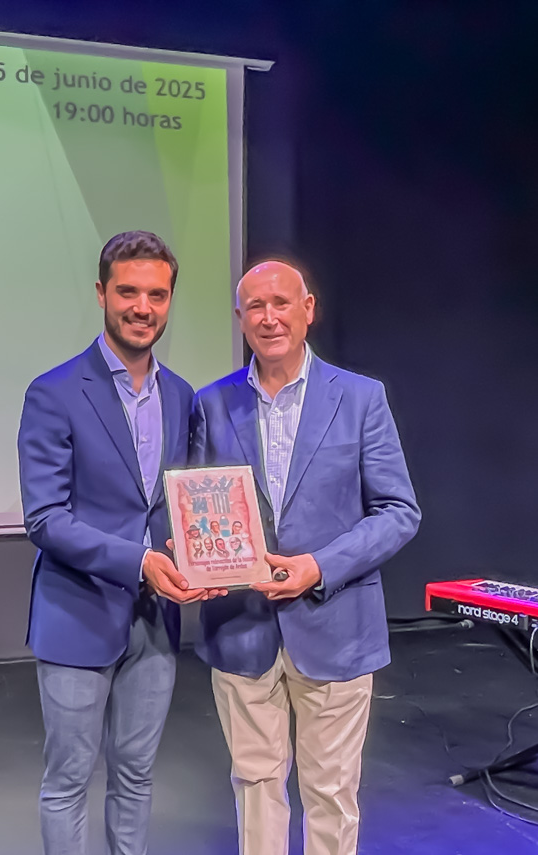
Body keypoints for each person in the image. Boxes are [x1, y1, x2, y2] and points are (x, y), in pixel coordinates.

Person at [190, 261, 420, 855]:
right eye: (255, 308)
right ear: (240, 319)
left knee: (332, 792)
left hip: (336, 625)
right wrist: (192, 554)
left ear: (307, 308)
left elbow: (398, 511)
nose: (269, 318)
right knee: (255, 784)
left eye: (281, 303)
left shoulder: (362, 398)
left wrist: (318, 566)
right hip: (241, 627)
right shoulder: (210, 404)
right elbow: (192, 505)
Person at [17, 230, 225, 855]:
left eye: (157, 294)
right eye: (128, 292)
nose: (143, 307)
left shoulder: (182, 395)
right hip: (77, 613)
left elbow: (180, 505)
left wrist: (205, 555)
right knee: (69, 781)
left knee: (135, 777)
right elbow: (46, 518)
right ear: (102, 293)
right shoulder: (53, 392)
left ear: (169, 300)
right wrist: (141, 562)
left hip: (156, 622)